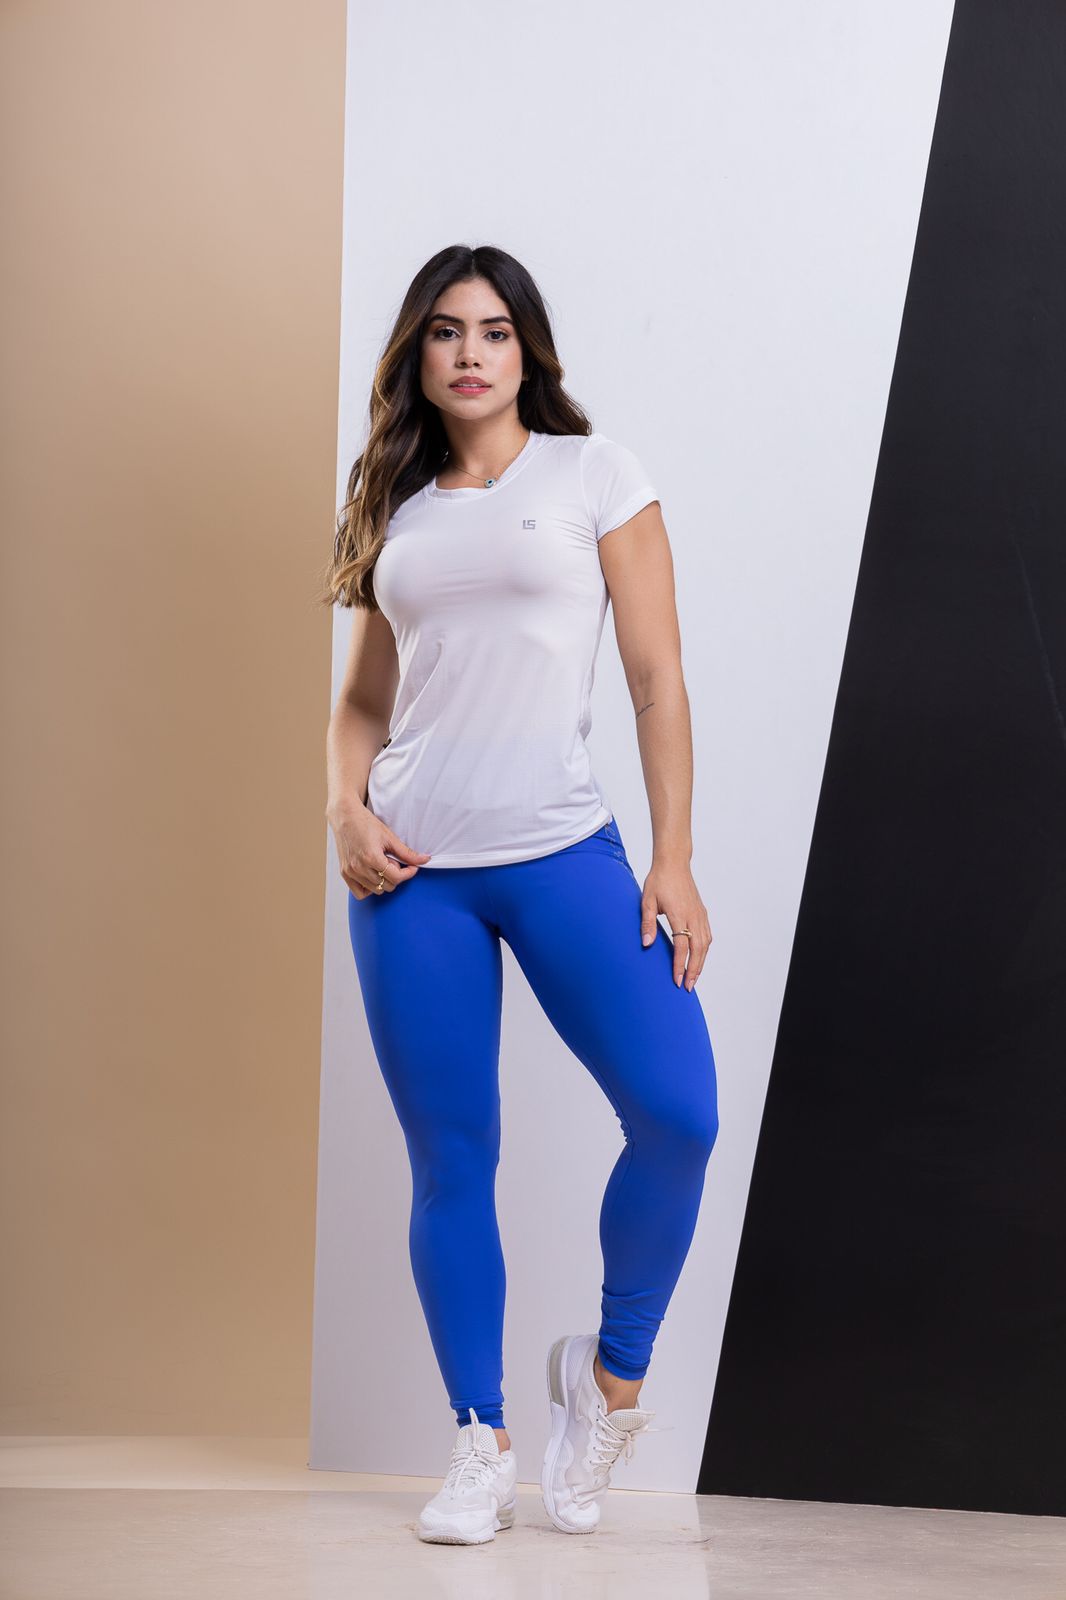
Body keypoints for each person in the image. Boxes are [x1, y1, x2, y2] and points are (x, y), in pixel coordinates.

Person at [322, 243, 719, 1544]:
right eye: (445, 331)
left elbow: (656, 678)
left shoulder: (594, 475)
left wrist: (671, 854)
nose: (470, 352)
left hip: (561, 851)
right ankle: (479, 1442)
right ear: (418, 355)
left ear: (526, 348)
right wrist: (345, 811)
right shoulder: (397, 507)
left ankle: (605, 1387)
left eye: (494, 330)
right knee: (453, 1159)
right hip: (411, 877)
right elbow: (365, 701)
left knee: (677, 1113)